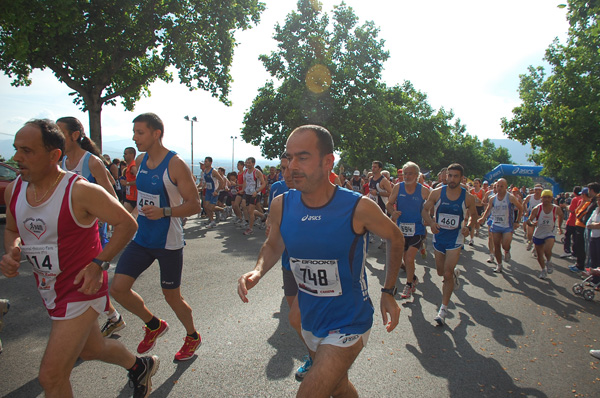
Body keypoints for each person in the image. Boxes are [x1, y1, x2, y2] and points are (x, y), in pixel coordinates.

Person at [238, 125, 404, 398]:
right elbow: (274, 244)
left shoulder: (358, 207)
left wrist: (388, 292)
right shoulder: (282, 204)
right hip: (311, 319)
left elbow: (395, 238)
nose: (292, 166)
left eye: (302, 157)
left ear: (328, 161)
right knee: (337, 387)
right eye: (289, 157)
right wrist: (257, 271)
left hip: (349, 321)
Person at [1, 119, 158, 398]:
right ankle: (139, 366)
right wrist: (12, 249)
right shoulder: (14, 190)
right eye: (16, 149)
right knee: (91, 348)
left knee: (51, 376)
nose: (16, 157)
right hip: (49, 288)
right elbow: (12, 228)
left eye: (27, 150)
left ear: (54, 156)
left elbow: (127, 224)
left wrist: (99, 263)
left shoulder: (80, 191)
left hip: (82, 288)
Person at [109, 113, 202, 362]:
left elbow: (195, 205)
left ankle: (192, 336)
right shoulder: (140, 160)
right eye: (134, 132)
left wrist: (164, 212)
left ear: (156, 133)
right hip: (142, 238)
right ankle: (153, 324)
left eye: (140, 132)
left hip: (167, 241)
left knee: (172, 296)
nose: (134, 137)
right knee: (117, 288)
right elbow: (139, 199)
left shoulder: (175, 164)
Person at [55, 117, 126, 338]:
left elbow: (112, 199)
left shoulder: (92, 162)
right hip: (70, 231)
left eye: (60, 132)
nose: (56, 138)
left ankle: (83, 335)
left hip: (94, 230)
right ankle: (113, 318)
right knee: (77, 278)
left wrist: (111, 223)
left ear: (75, 136)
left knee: (84, 278)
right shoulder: (62, 163)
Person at [421, 163, 477, 326]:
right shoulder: (437, 192)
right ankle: (454, 275)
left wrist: (468, 227)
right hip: (439, 237)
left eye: (455, 176)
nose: (451, 179)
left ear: (461, 178)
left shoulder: (467, 197)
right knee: (440, 272)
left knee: (446, 273)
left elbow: (474, 215)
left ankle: (443, 309)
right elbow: (425, 210)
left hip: (456, 239)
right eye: (449, 175)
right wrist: (431, 222)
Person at [386, 161, 430, 299]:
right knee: (405, 259)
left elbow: (431, 207)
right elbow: (389, 204)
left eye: (410, 173)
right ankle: (413, 277)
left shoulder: (423, 190)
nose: (407, 176)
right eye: (405, 173)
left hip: (417, 229)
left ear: (417, 175)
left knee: (409, 257)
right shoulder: (398, 187)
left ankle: (409, 284)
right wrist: (393, 212)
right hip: (402, 230)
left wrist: (428, 218)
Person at [478, 178, 523, 273]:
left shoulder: (510, 197)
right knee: (496, 245)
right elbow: (488, 209)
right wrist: (483, 218)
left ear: (506, 187)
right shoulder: (492, 198)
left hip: (507, 226)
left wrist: (517, 221)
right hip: (496, 225)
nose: (499, 188)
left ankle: (507, 251)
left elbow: (520, 208)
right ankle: (499, 265)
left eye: (501, 186)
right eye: (498, 186)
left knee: (505, 245)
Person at [527, 189, 564, 279]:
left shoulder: (556, 208)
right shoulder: (537, 209)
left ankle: (549, 261)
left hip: (550, 232)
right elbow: (529, 220)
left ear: (551, 198)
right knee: (539, 255)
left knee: (547, 250)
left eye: (548, 197)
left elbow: (561, 215)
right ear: (541, 198)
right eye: (544, 197)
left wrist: (559, 226)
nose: (546, 199)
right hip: (539, 233)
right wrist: (531, 224)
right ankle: (543, 270)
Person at [241, 157, 266, 236]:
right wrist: (242, 189)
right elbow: (245, 181)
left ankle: (250, 228)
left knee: (250, 211)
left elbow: (263, 183)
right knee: (244, 206)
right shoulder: (245, 172)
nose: (247, 164)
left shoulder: (257, 172)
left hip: (254, 193)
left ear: (253, 163)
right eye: (247, 162)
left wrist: (257, 191)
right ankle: (263, 216)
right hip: (247, 192)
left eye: (249, 163)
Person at [202, 156, 226, 228]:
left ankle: (223, 210)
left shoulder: (213, 171)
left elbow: (221, 181)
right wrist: (203, 187)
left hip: (214, 191)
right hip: (208, 191)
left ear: (210, 162)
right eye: (204, 161)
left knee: (211, 207)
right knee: (206, 206)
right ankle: (212, 221)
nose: (205, 163)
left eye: (206, 161)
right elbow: (206, 181)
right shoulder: (205, 171)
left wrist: (217, 190)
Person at [122, 146, 139, 217]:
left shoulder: (133, 166)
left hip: (134, 197)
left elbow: (139, 180)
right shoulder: (129, 166)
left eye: (126, 154)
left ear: (132, 155)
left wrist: (127, 183)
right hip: (129, 196)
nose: (124, 156)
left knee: (125, 217)